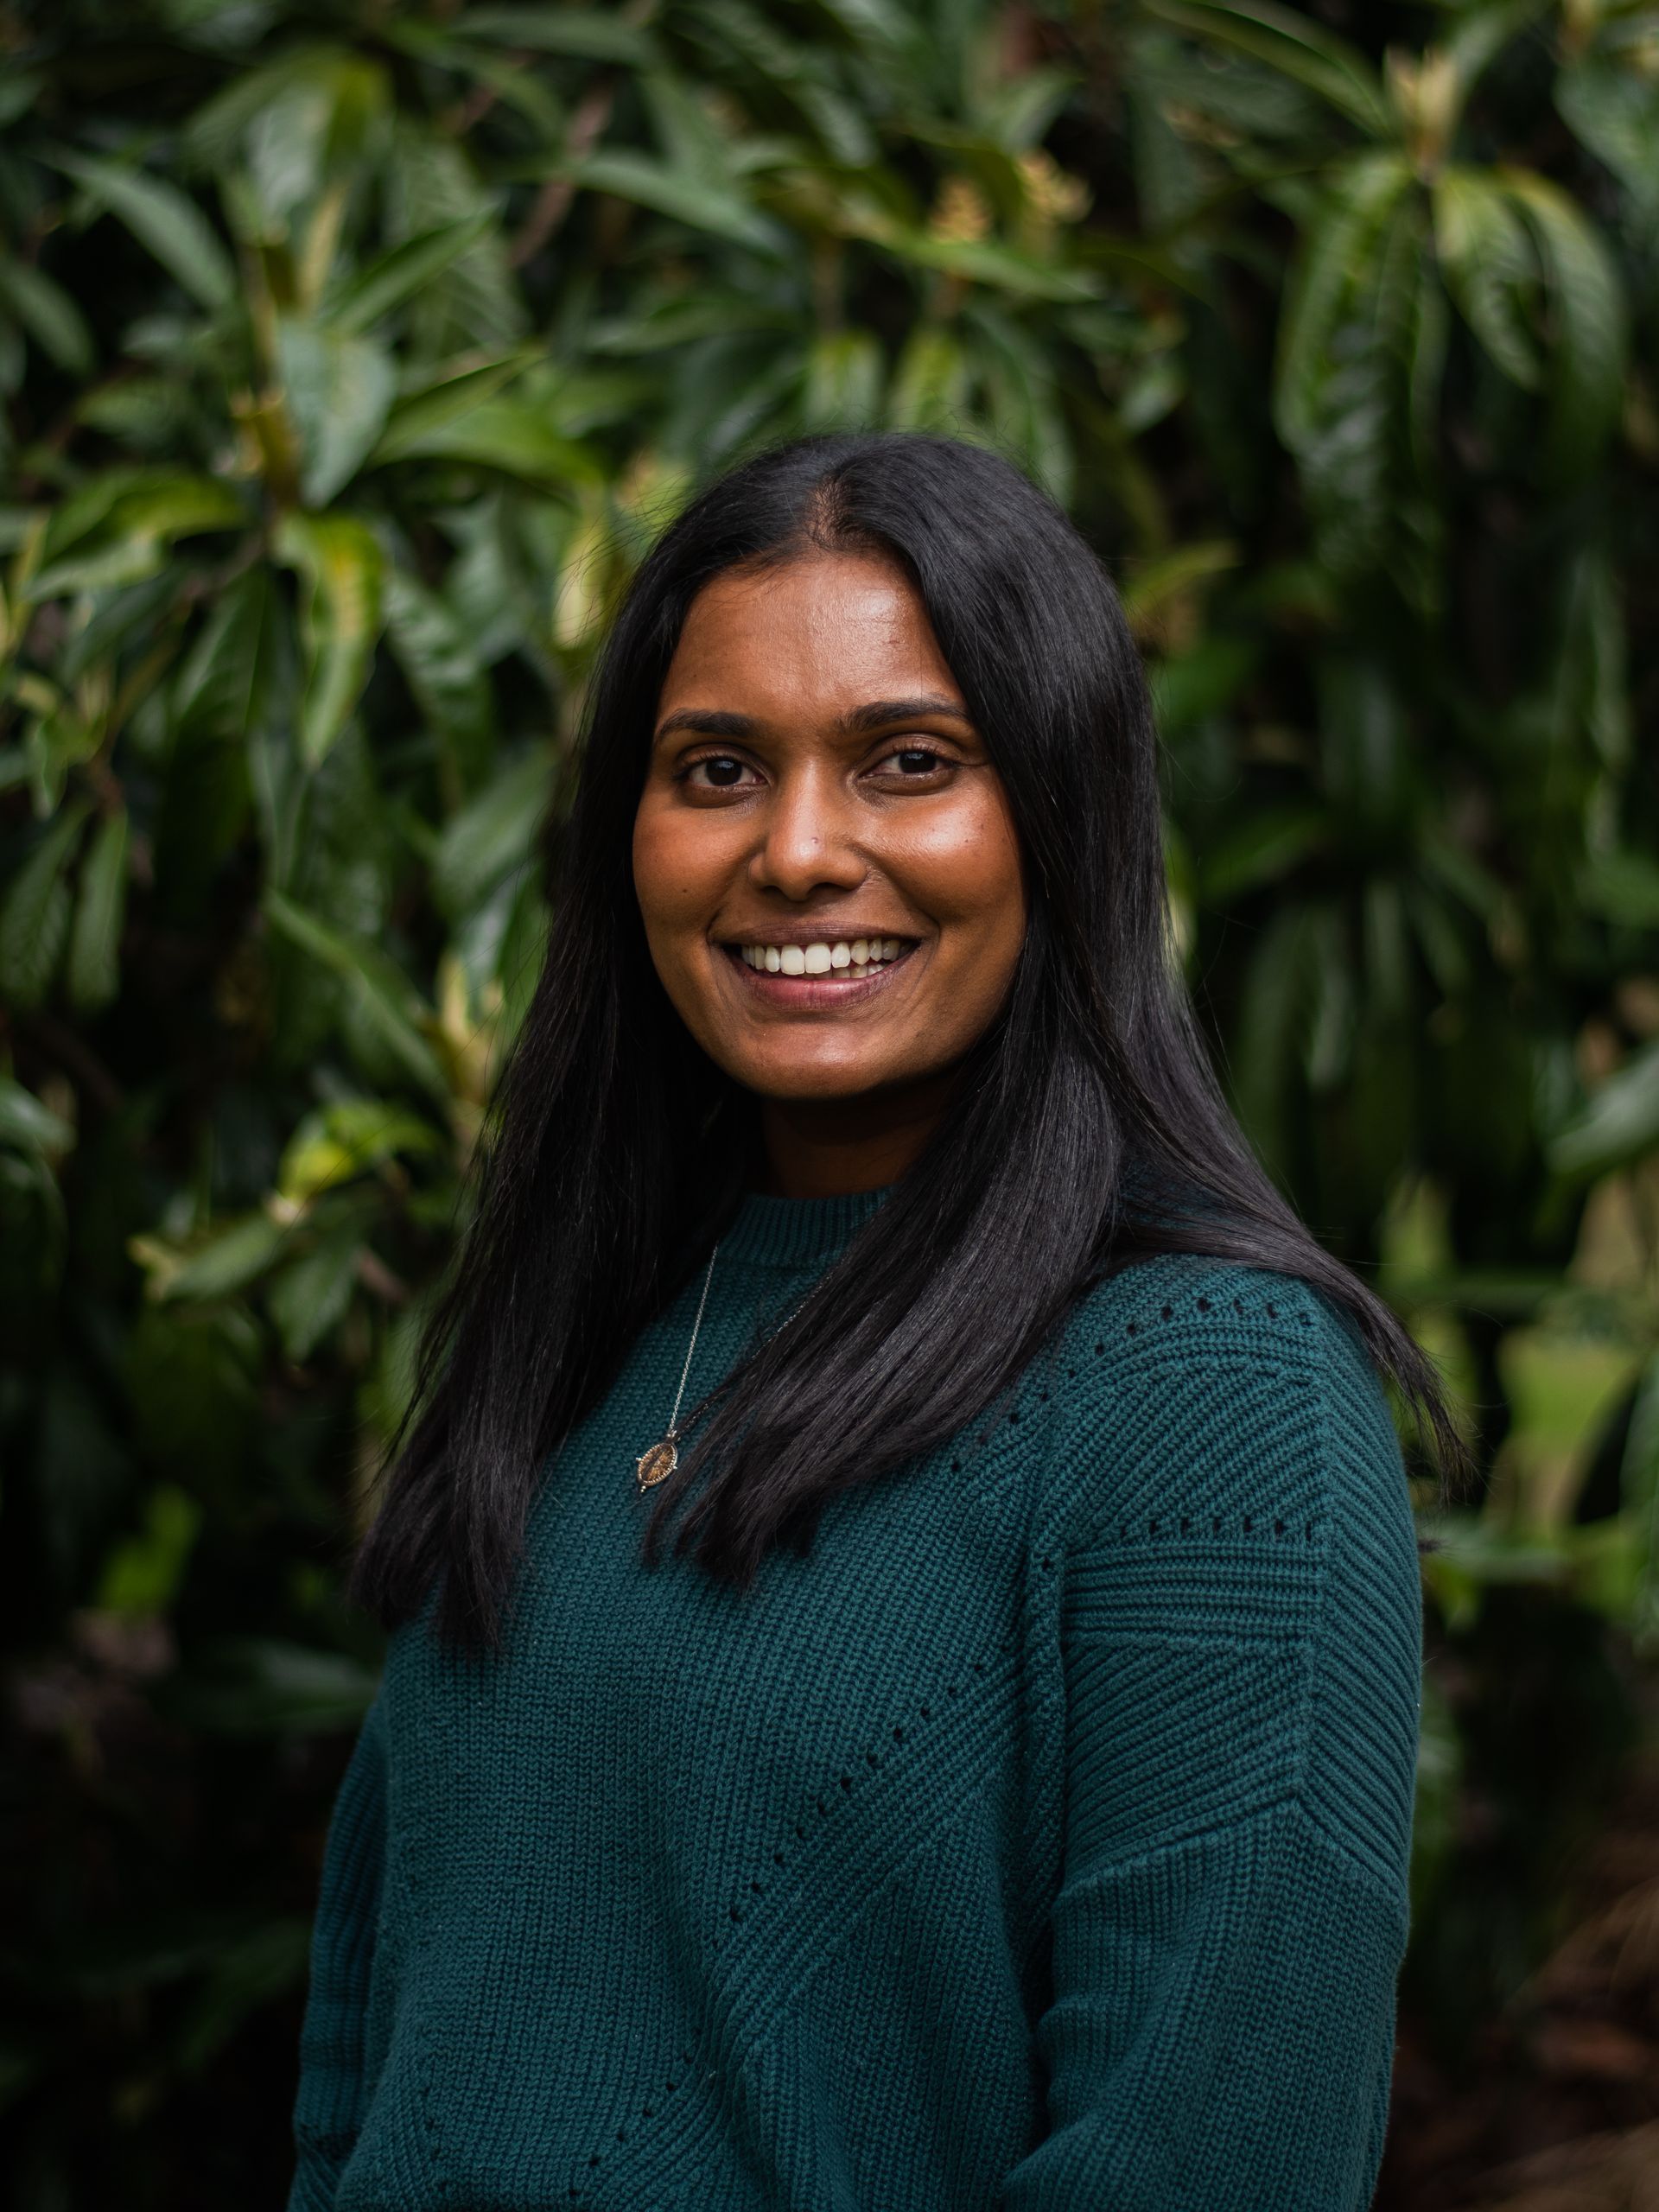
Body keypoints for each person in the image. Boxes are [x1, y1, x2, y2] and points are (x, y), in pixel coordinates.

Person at [288, 431, 1446, 2211]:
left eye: (911, 761)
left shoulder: (1210, 1393)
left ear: (1057, 815)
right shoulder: (595, 1331)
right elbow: (379, 2055)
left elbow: (1212, 2152)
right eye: (716, 767)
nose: (800, 850)